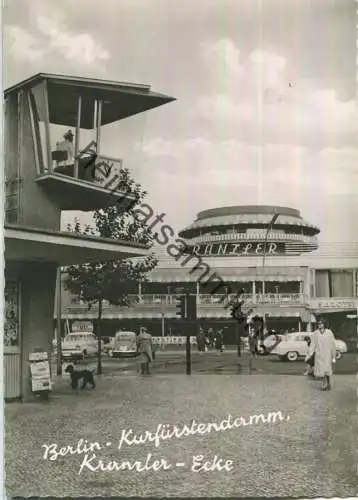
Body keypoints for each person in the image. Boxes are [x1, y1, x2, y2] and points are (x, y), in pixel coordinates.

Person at [306, 319, 336, 390]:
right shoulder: (315, 333)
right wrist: (310, 354)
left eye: (321, 323)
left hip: (327, 353)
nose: (320, 325)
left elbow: (332, 344)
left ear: (324, 324)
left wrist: (333, 355)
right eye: (319, 324)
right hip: (319, 354)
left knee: (327, 369)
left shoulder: (329, 332)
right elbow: (313, 344)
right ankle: (324, 384)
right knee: (322, 370)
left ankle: (327, 384)